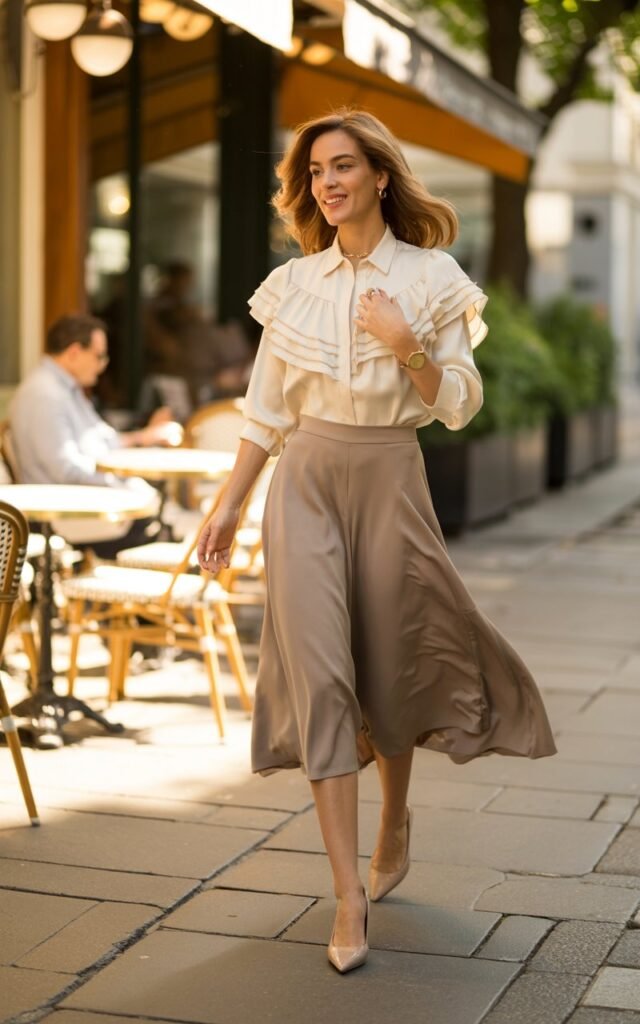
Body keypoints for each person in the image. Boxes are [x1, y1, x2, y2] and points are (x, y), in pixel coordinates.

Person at [196, 110, 557, 974]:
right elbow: (266, 409)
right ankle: (346, 893)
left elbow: (460, 404)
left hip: (392, 475)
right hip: (308, 482)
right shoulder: (294, 286)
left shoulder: (432, 278)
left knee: (388, 667)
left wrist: (408, 349)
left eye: (344, 165)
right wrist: (230, 504)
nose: (328, 181)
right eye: (316, 169)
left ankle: (395, 818)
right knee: (321, 675)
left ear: (380, 176)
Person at [10, 313, 182, 557]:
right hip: (63, 512)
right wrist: (119, 483)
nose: (103, 365)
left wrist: (142, 439)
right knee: (154, 520)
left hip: (80, 499)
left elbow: (102, 439)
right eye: (99, 356)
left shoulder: (66, 389)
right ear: (73, 353)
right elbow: (66, 469)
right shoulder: (46, 395)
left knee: (158, 509)